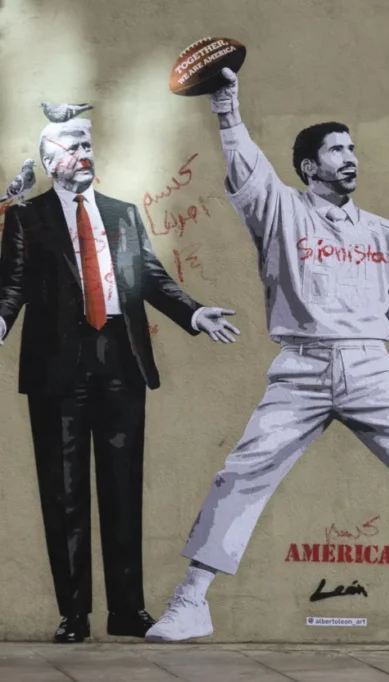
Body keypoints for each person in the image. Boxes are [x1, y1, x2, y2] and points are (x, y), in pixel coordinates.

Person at [145, 68, 389, 642]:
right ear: (310, 166)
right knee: (240, 472)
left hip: (371, 366)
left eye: (352, 147)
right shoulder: (280, 212)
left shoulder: (388, 234)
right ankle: (192, 602)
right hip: (302, 368)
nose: (349, 156)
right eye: (335, 149)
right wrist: (228, 109)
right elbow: (247, 171)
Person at [0, 114, 239, 643]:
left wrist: (194, 313)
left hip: (120, 361)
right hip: (57, 367)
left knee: (122, 489)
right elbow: (11, 284)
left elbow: (150, 276)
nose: (86, 151)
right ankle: (75, 615)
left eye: (89, 143)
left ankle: (128, 612)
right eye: (75, 144)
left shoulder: (122, 214)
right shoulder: (27, 218)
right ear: (50, 159)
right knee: (64, 495)